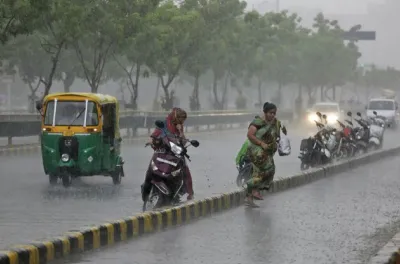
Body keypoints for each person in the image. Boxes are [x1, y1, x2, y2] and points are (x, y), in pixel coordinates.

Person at [141, 107, 194, 202]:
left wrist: (181, 131)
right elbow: (154, 135)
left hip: (174, 153)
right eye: (181, 119)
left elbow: (183, 140)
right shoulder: (164, 124)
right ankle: (146, 189)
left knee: (185, 169)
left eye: (183, 120)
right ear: (175, 117)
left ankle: (190, 193)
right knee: (151, 169)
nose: (182, 122)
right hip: (163, 151)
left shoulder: (180, 126)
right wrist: (152, 141)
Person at [245, 102, 285, 207]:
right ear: (265, 112)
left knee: (268, 172)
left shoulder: (275, 122)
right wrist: (261, 143)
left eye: (274, 113)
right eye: (270, 113)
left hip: (267, 152)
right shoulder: (258, 122)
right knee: (267, 170)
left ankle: (250, 196)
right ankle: (252, 187)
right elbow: (250, 135)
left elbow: (278, 134)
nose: (272, 115)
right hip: (257, 151)